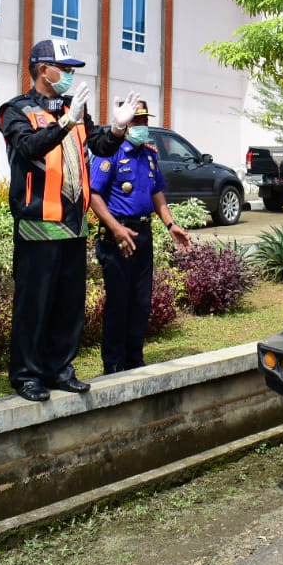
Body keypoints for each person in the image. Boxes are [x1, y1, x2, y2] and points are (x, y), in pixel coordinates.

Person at [0, 39, 142, 402]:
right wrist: (66, 121)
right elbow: (28, 148)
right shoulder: (15, 110)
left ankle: (60, 369)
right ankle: (28, 375)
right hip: (38, 225)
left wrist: (118, 129)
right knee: (34, 305)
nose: (71, 75)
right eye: (66, 68)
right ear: (43, 69)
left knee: (68, 305)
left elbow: (99, 145)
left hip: (73, 226)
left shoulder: (73, 109)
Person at [89, 100, 191, 374]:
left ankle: (135, 359)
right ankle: (113, 363)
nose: (142, 127)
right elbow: (94, 195)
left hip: (143, 234)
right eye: (136, 122)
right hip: (118, 237)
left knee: (141, 301)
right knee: (119, 301)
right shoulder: (109, 152)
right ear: (124, 123)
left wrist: (171, 224)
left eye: (144, 122)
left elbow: (157, 192)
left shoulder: (149, 155)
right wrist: (115, 228)